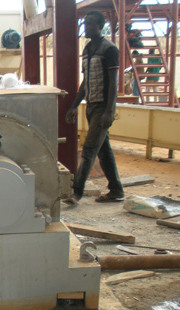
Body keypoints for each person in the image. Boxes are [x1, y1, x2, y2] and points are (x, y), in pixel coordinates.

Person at [64, 10, 124, 205]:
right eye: (85, 23)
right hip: (91, 106)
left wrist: (109, 110)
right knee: (103, 150)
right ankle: (116, 190)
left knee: (89, 148)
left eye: (90, 23)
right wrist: (74, 106)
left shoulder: (109, 49)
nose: (86, 27)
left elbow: (114, 82)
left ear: (100, 26)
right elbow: (86, 82)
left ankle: (77, 193)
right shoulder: (88, 49)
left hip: (102, 108)